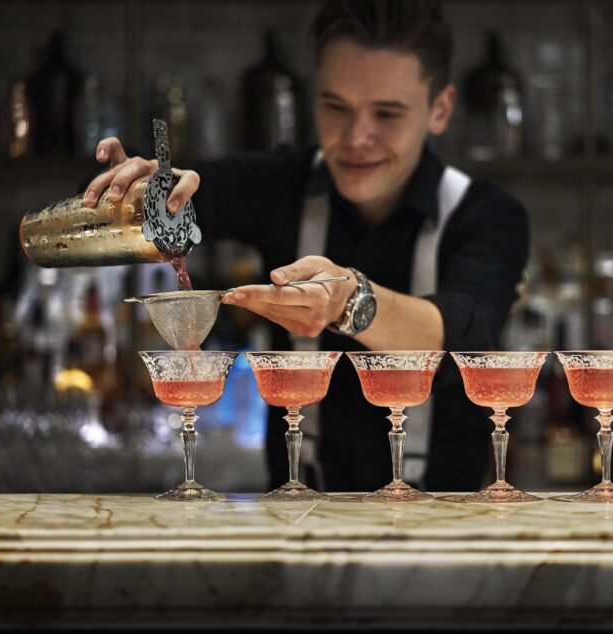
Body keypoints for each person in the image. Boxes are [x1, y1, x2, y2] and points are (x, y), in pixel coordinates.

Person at [81, 0, 528, 493]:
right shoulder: (281, 184)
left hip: (445, 535)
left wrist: (349, 301)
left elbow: (464, 331)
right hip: (297, 521)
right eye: (336, 107)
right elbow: (185, 197)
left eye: (387, 113)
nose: (357, 137)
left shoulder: (487, 215)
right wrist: (143, 194)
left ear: (439, 109)